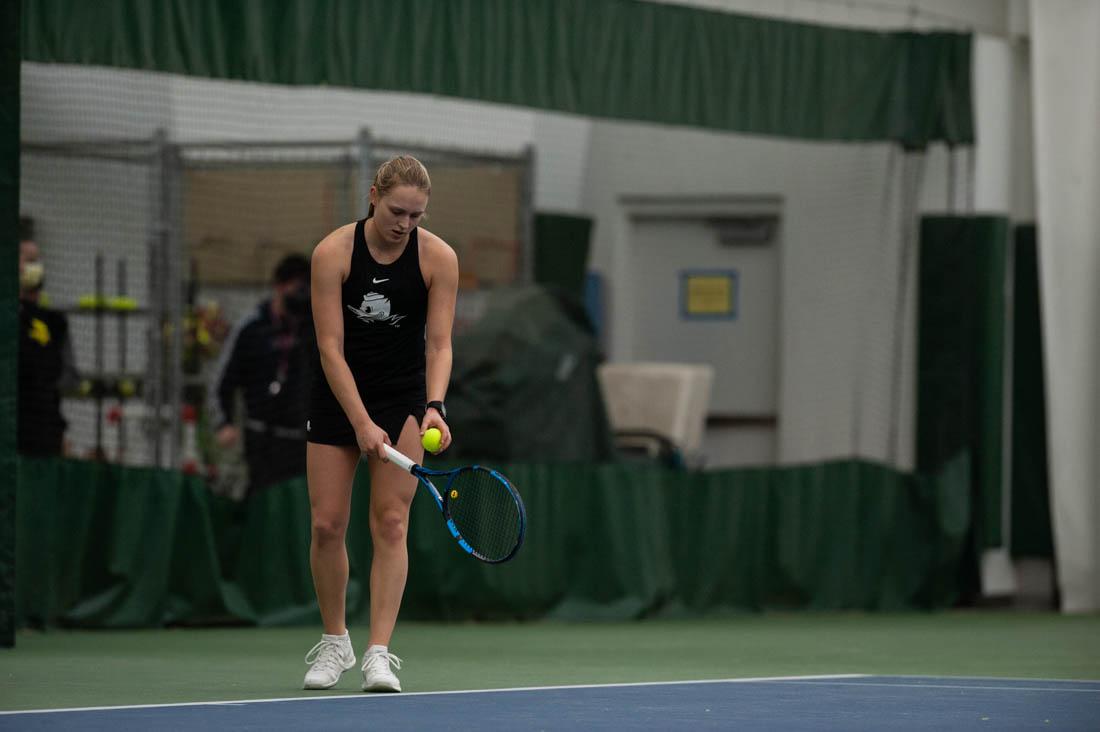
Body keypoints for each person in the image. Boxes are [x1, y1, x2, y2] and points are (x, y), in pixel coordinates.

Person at [302, 155, 457, 692]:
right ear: (373, 195)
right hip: (338, 396)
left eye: (416, 215)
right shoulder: (332, 253)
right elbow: (329, 347)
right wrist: (361, 423)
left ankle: (378, 652)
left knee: (391, 523)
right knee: (327, 524)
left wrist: (435, 404)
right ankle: (335, 641)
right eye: (397, 211)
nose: (405, 224)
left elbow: (439, 343)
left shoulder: (439, 259)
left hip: (403, 400)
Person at [210, 254, 314, 498]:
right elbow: (224, 379)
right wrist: (223, 422)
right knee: (263, 499)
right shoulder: (252, 327)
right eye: (297, 287)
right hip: (262, 437)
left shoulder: (312, 326)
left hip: (304, 438)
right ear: (279, 286)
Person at [17, 216, 77, 456]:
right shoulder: (12, 318)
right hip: (17, 424)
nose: (35, 267)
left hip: (44, 428)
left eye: (37, 260)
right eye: (29, 260)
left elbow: (67, 376)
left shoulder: (54, 321)